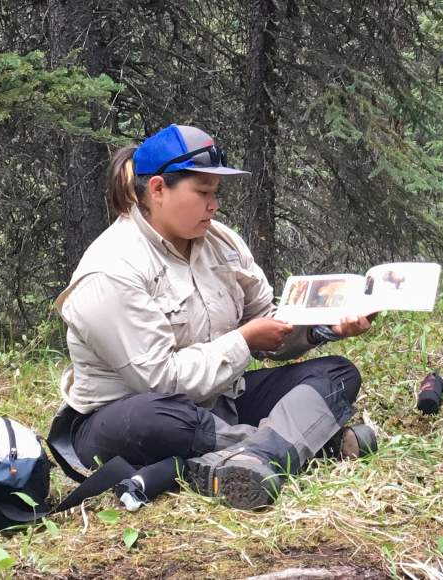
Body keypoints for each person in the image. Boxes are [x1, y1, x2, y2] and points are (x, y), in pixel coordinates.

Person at [48, 123, 376, 510]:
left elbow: (269, 323)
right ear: (157, 189)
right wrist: (244, 341)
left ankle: (248, 459)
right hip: (130, 416)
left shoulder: (222, 242)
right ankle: (306, 445)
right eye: (202, 192)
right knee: (161, 417)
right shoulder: (111, 270)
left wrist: (322, 329)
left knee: (337, 374)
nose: (213, 205)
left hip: (222, 401)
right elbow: (160, 381)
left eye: (215, 193)